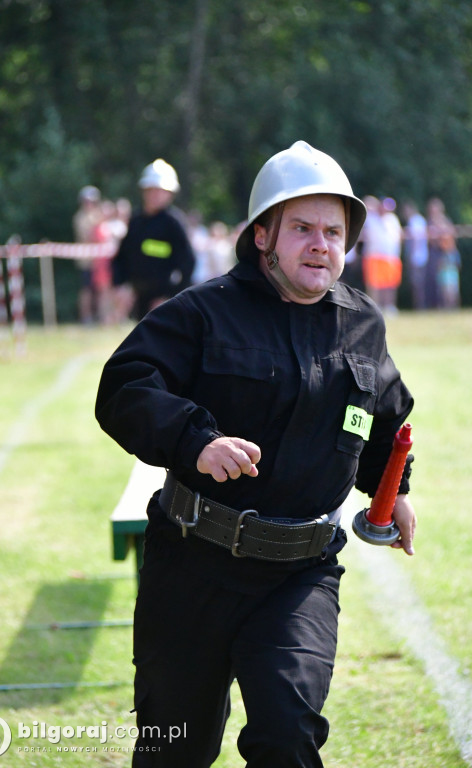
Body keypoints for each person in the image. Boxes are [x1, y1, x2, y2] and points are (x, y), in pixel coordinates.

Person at [95, 141, 416, 768]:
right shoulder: (203, 311)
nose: (321, 244)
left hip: (299, 574)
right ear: (263, 235)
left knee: (287, 735)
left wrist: (393, 490)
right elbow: (125, 384)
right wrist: (197, 441)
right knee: (173, 753)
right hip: (190, 565)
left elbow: (386, 414)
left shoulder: (362, 324)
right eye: (302, 228)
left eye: (333, 230)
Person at [112, 159, 195, 320]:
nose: (155, 194)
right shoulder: (136, 222)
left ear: (170, 194)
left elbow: (188, 264)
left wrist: (170, 298)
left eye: (160, 190)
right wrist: (120, 286)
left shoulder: (174, 223)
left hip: (167, 303)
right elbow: (121, 258)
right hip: (140, 302)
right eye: (151, 189)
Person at [72, 185, 103, 324]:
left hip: (99, 260)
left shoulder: (97, 215)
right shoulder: (80, 217)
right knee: (86, 290)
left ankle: (97, 315)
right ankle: (86, 316)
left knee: (99, 290)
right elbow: (88, 236)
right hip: (86, 260)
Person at [402, 201, 429, 310]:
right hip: (421, 256)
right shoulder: (420, 220)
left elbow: (414, 241)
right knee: (418, 283)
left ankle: (420, 306)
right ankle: (419, 305)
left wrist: (410, 256)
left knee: (417, 283)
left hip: (417, 258)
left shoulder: (414, 221)